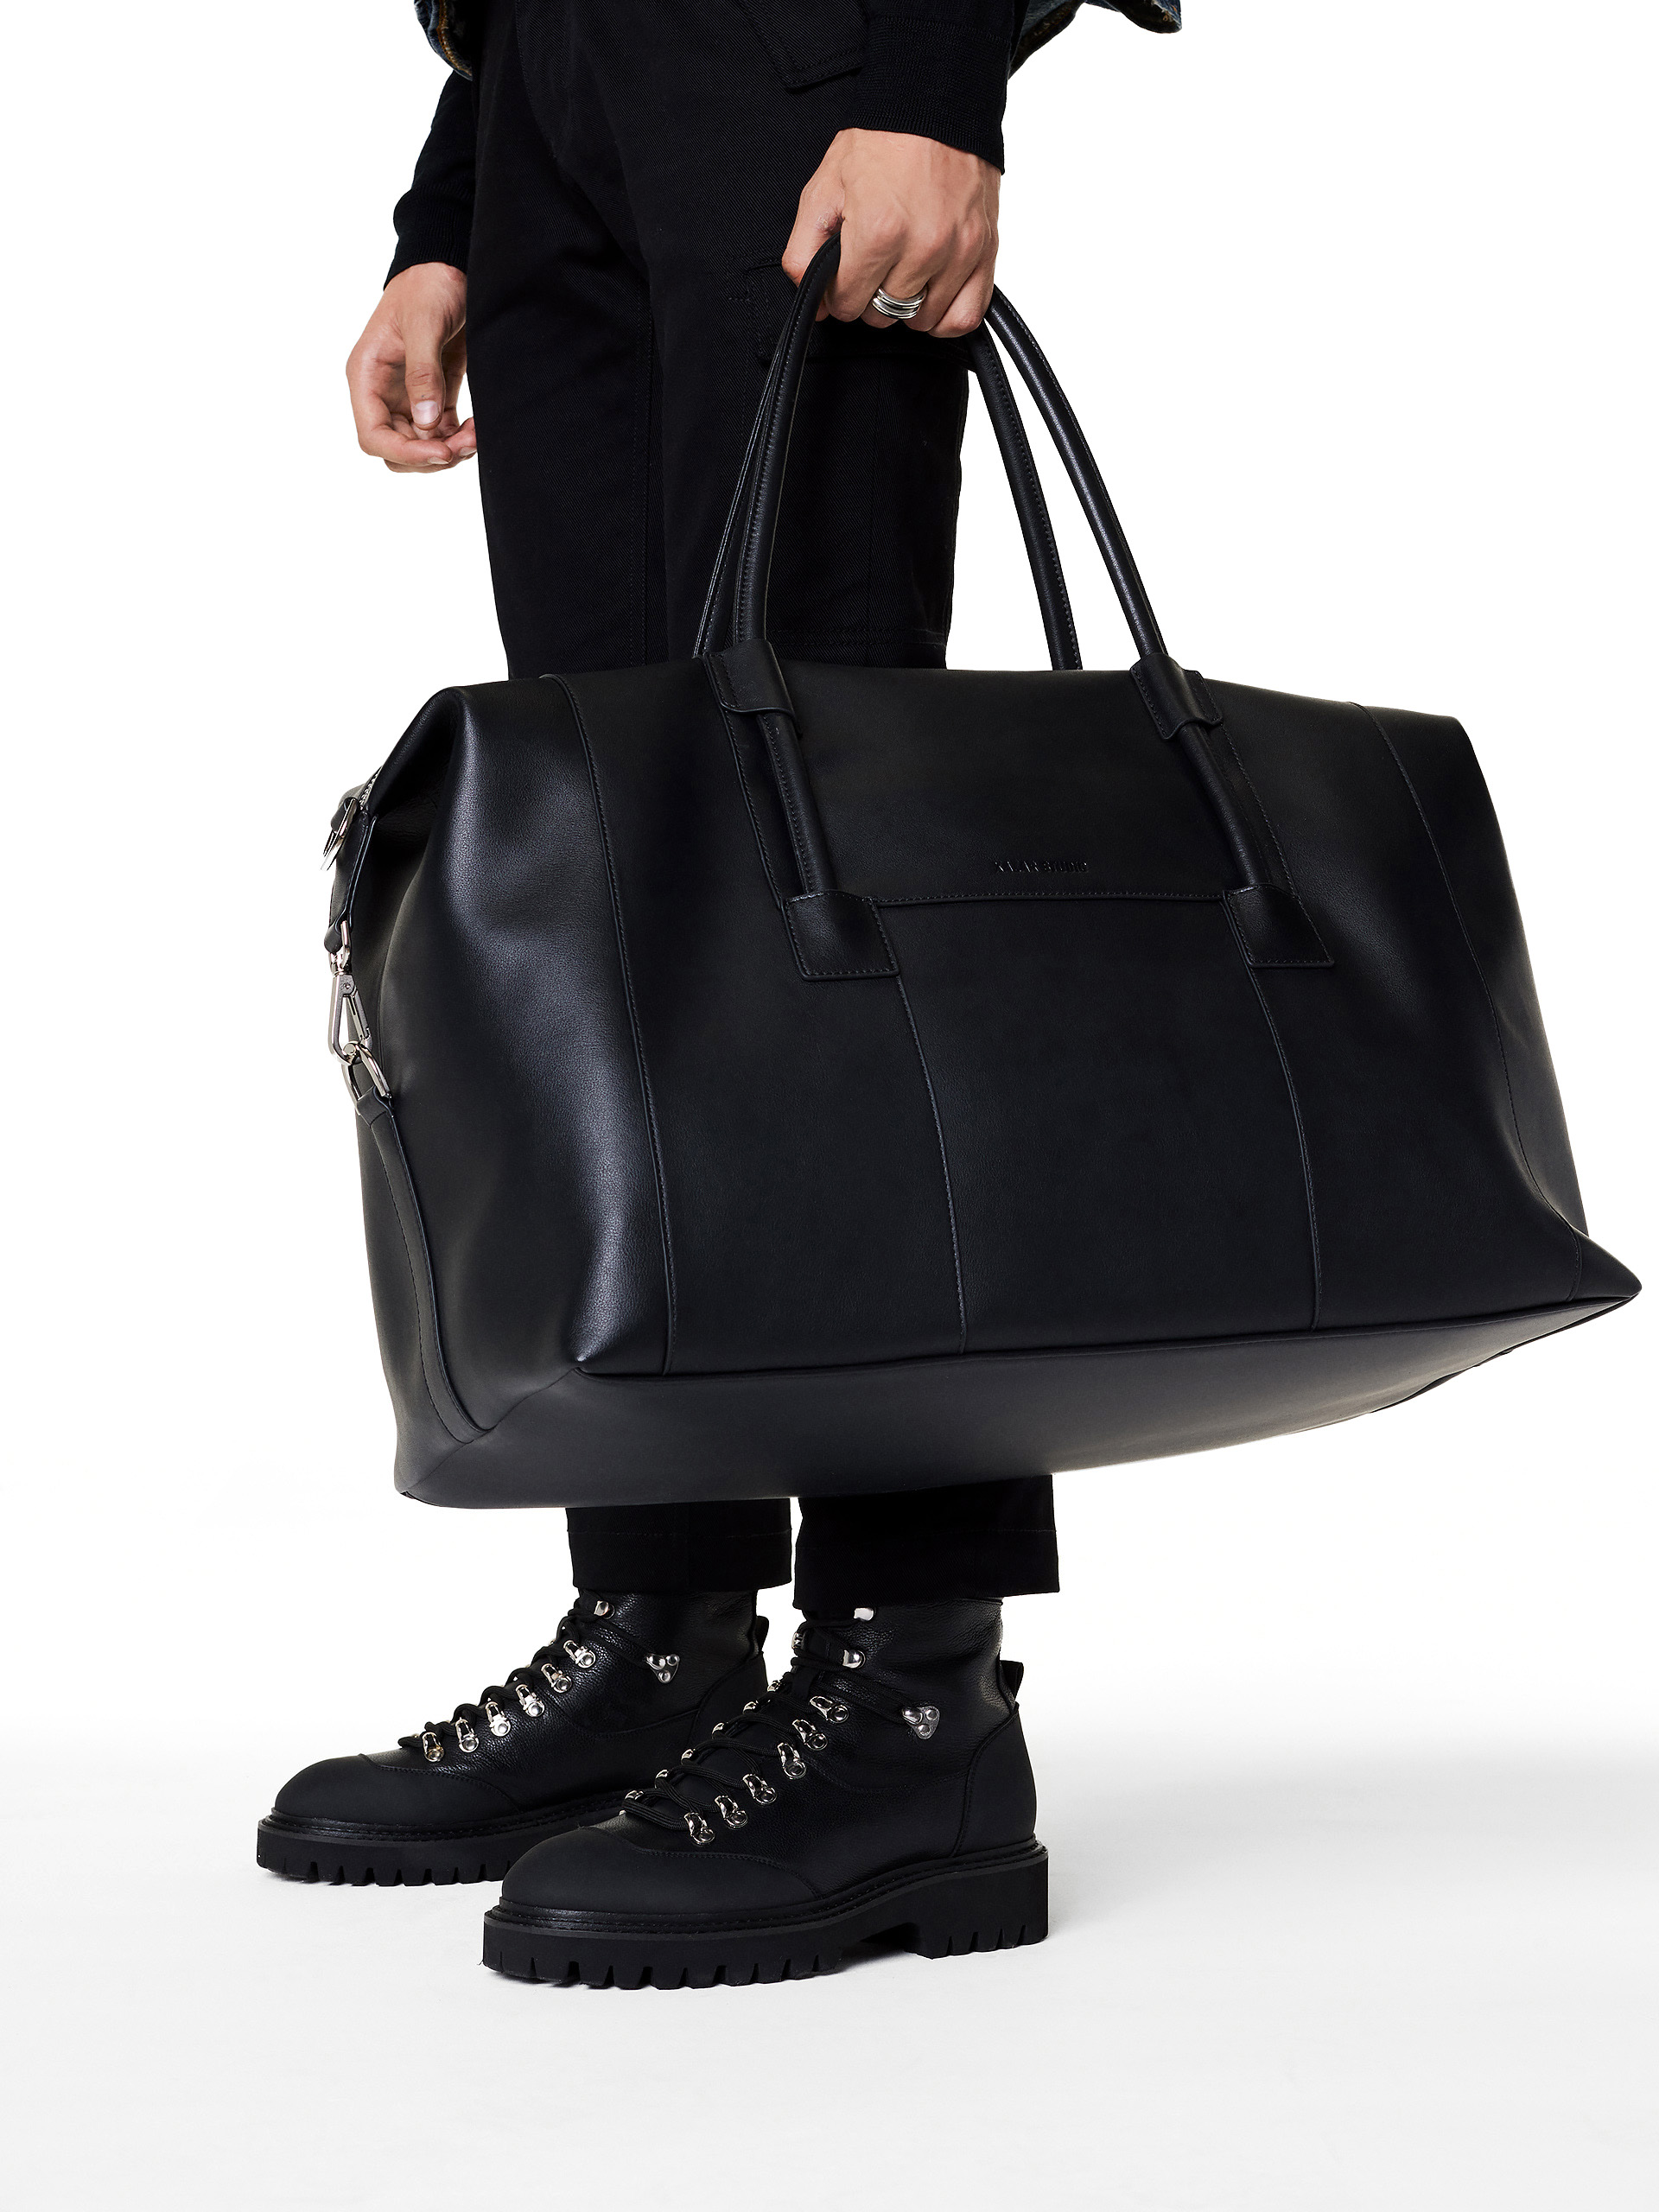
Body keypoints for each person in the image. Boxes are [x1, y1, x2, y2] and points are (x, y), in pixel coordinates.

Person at [259, 0, 1180, 1985]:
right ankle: (665, 1628)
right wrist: (457, 202)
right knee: (620, 885)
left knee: (823, 874)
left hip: (809, 51)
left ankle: (918, 1688)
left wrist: (928, 82)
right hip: (549, 88)